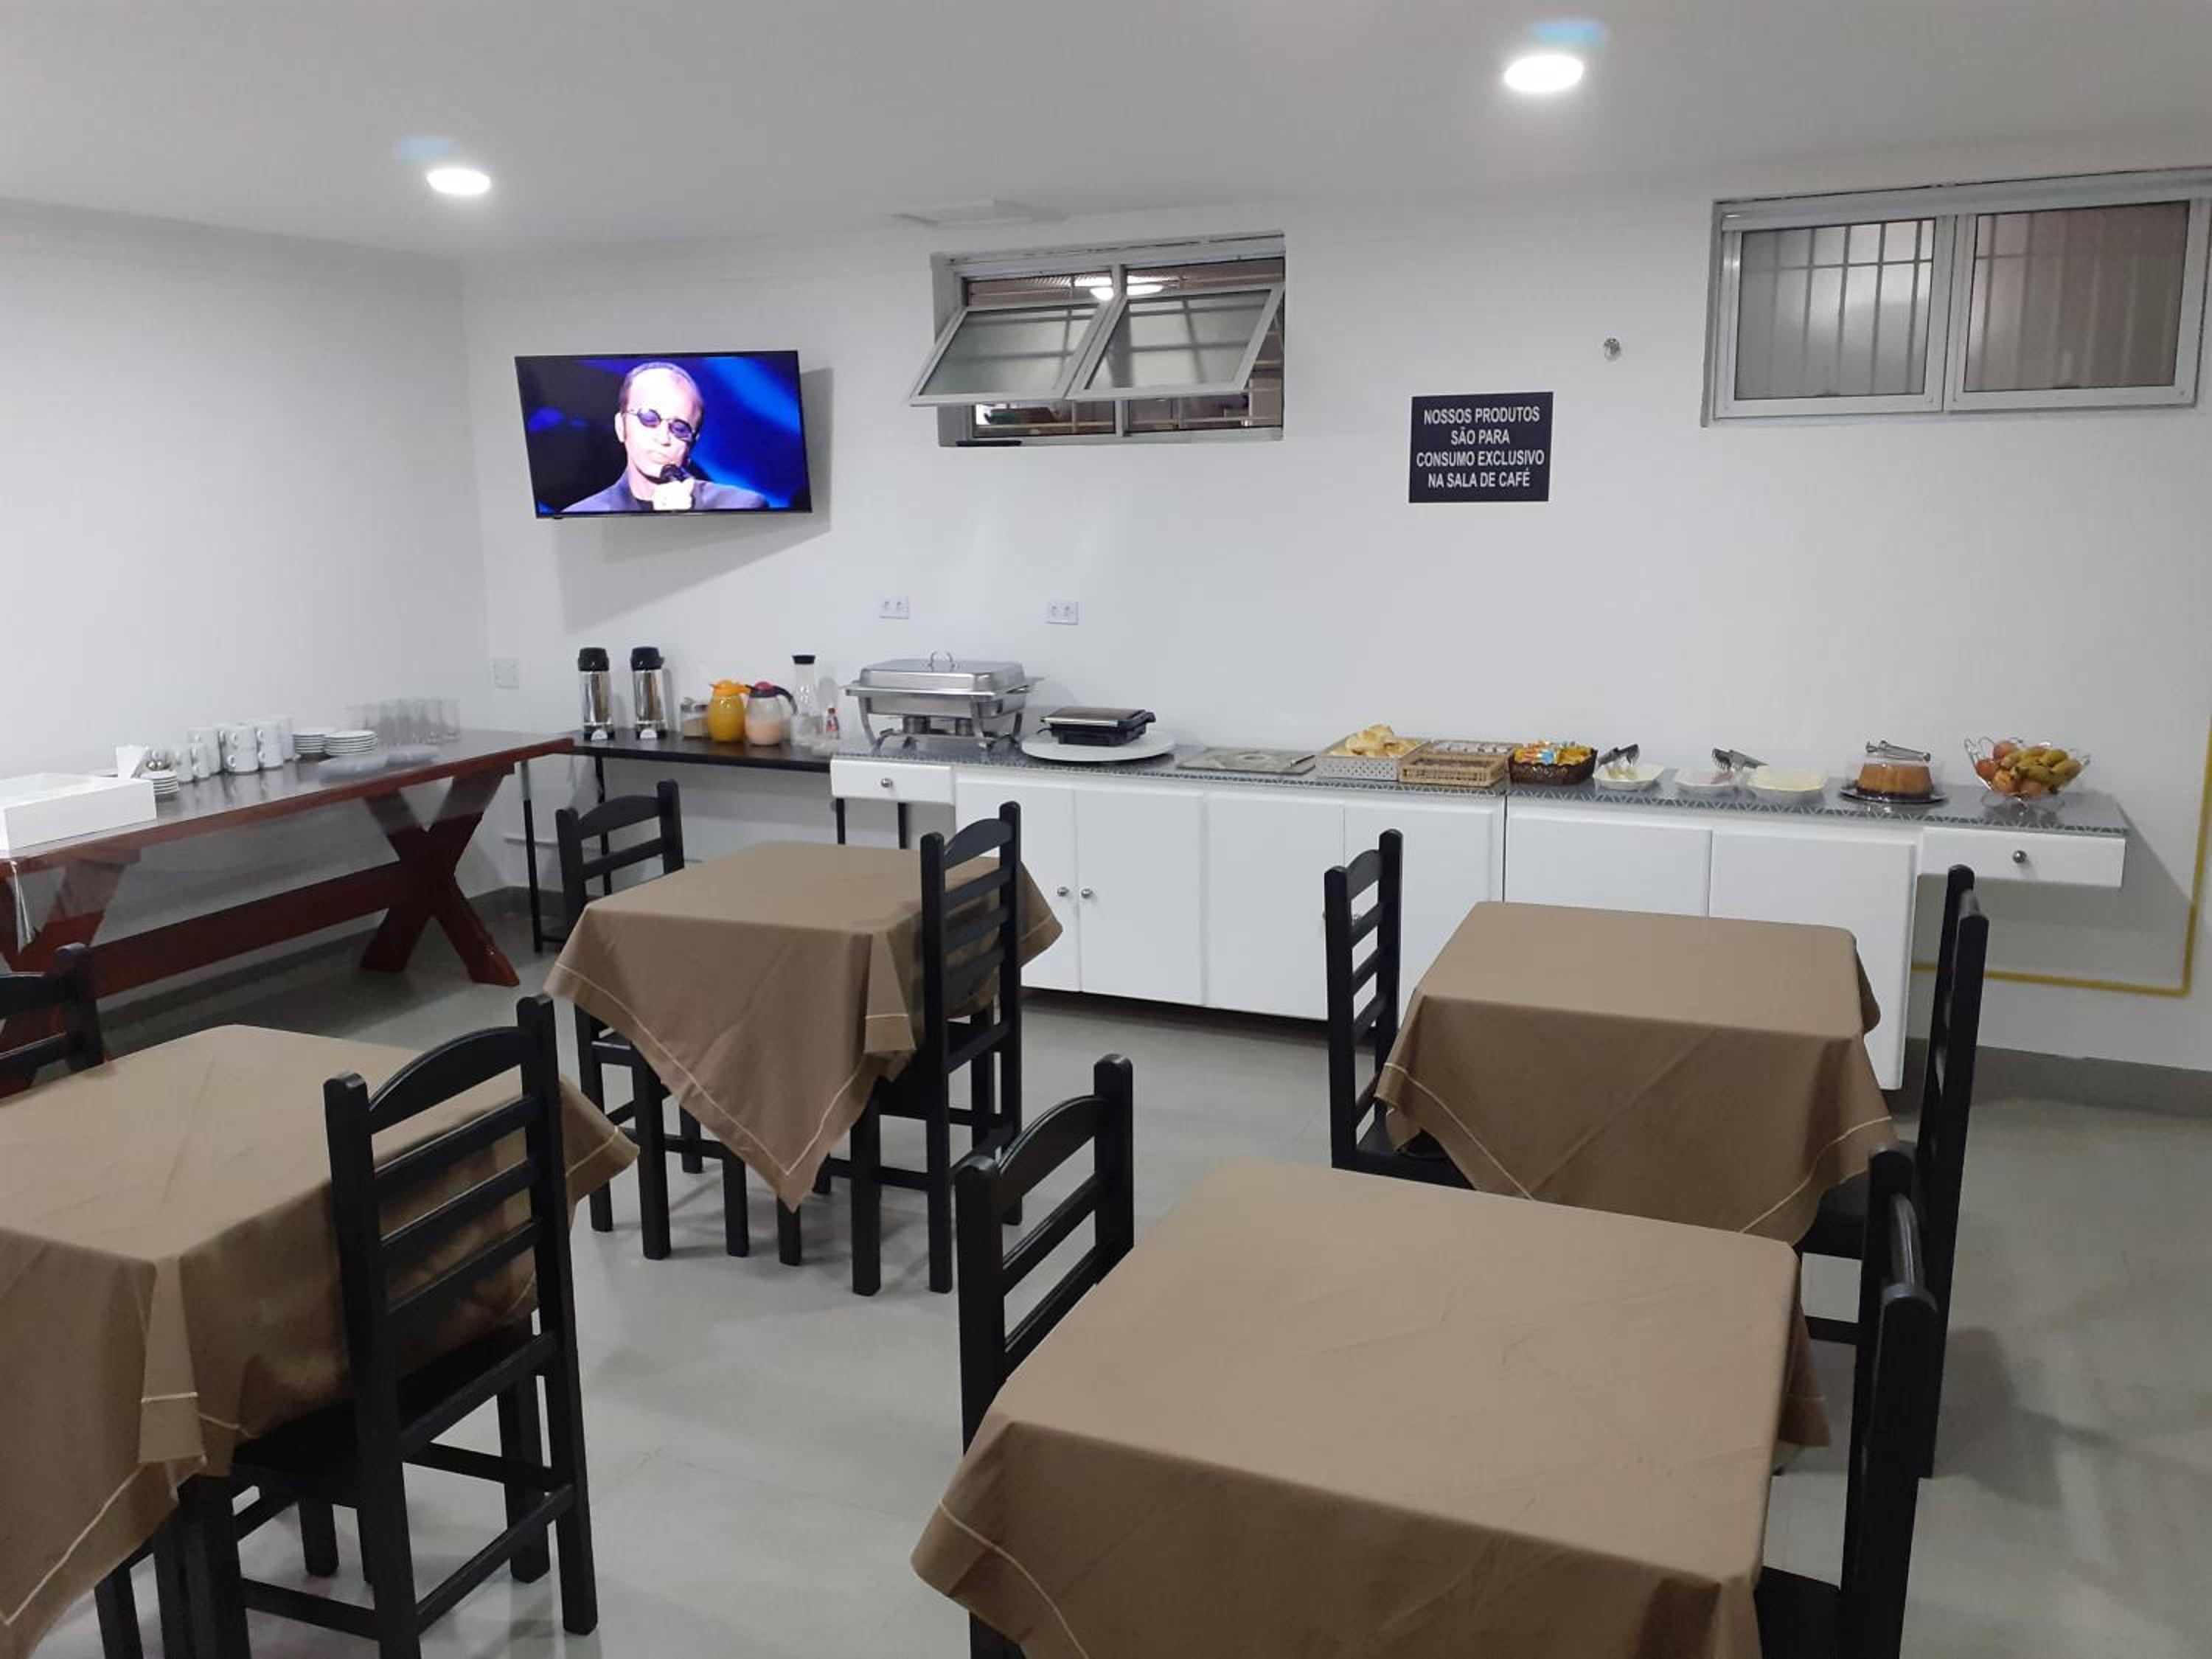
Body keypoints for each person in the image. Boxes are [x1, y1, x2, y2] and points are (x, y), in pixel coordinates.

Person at [563, 361, 768, 512]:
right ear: (621, 426)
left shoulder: (741, 506)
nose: (663, 438)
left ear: (692, 444)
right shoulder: (583, 514)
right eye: (649, 419)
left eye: (679, 429)